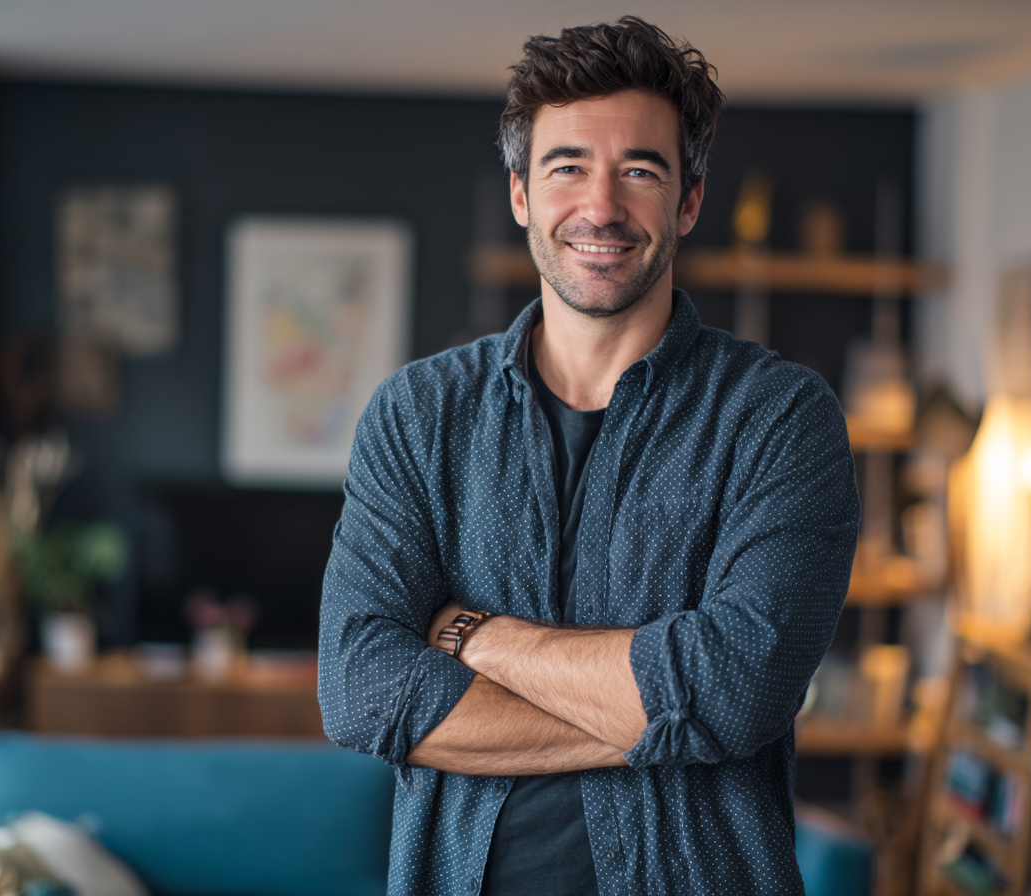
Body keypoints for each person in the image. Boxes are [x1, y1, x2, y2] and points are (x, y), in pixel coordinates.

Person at [318, 16, 859, 895]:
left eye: (639, 171)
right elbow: (362, 689)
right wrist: (670, 715)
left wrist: (471, 634)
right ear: (522, 194)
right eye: (568, 166)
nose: (601, 207)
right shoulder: (419, 415)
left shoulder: (779, 419)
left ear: (688, 201)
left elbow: (739, 690)